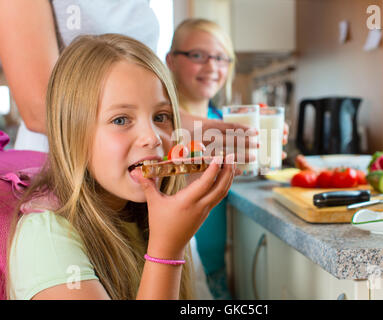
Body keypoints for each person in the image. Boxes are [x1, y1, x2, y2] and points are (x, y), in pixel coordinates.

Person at [0, 0, 253, 299]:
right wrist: (166, 250)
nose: (153, 138)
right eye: (121, 119)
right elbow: (35, 106)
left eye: (162, 117)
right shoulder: (46, 238)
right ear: (71, 133)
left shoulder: (143, 215)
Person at [166, 18, 289, 299]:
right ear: (171, 60)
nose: (211, 67)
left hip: (216, 266)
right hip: (174, 265)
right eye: (198, 56)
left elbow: (243, 172)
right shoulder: (163, 124)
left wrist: (262, 152)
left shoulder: (225, 122)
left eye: (221, 58)